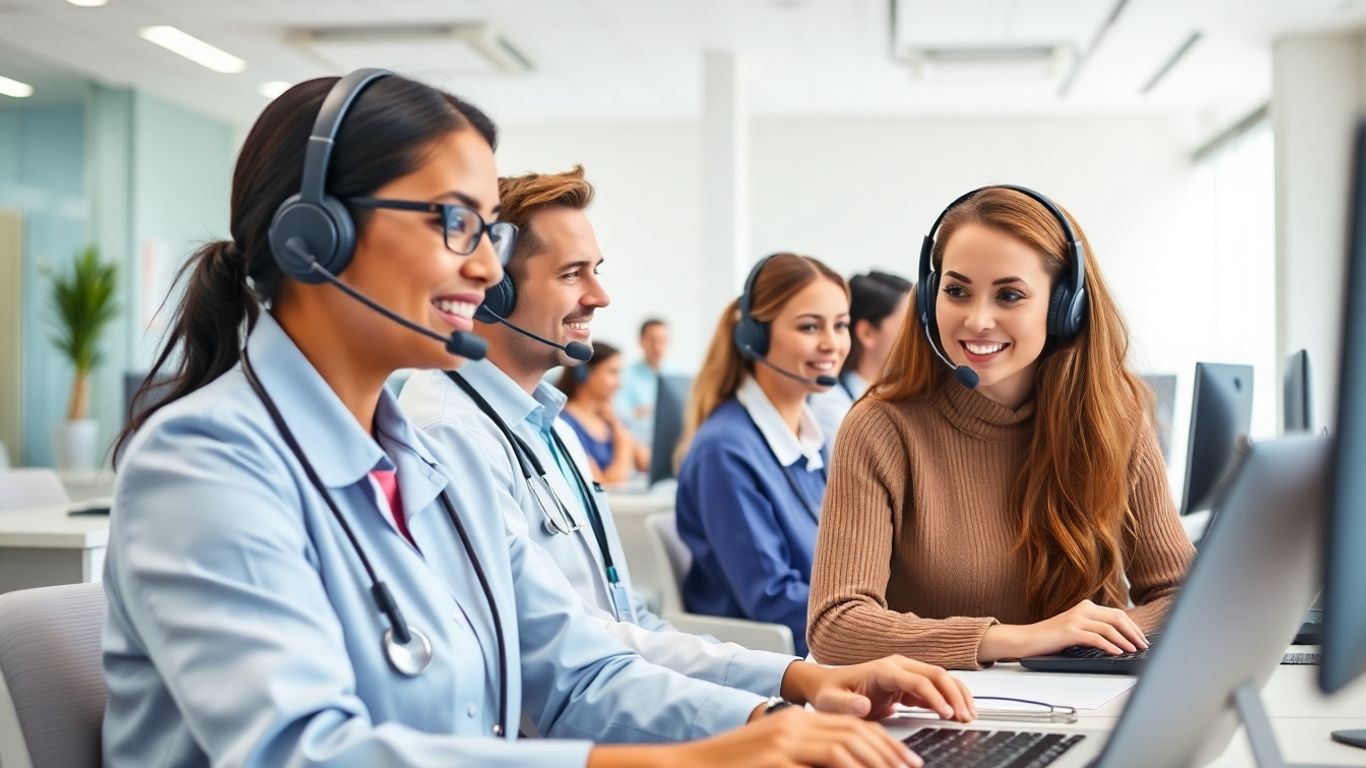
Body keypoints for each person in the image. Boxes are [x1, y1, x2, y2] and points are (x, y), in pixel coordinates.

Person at [102, 71, 956, 768]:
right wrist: (686, 760)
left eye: (491, 237)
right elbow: (304, 753)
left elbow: (578, 673)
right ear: (314, 237)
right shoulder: (202, 464)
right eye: (455, 223)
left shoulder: (439, 461)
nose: (483, 268)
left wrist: (787, 714)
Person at [399, 167, 975, 748]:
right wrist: (771, 719)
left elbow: (631, 630)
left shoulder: (552, 431)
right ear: (489, 288)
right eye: (573, 274)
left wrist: (802, 682)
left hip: (624, 720)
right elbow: (566, 679)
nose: (601, 296)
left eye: (596, 272)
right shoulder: (452, 437)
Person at [806, 185, 1196, 670]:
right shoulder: (882, 427)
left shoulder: (1114, 416)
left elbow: (1183, 592)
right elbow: (837, 625)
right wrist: (1019, 640)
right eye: (957, 291)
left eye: (1009, 294)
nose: (977, 319)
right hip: (937, 714)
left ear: (1063, 307)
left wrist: (1092, 636)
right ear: (929, 299)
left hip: (1080, 703)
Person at [675, 252, 850, 657]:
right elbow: (771, 598)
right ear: (753, 336)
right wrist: (882, 627)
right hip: (774, 665)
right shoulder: (726, 451)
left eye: (840, 325)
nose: (832, 343)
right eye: (810, 326)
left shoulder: (811, 440)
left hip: (822, 646)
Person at [809, 271, 913, 443]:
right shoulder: (832, 408)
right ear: (867, 333)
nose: (917, 336)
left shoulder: (893, 398)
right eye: (907, 325)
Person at [555, 341, 649, 484]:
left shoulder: (609, 419)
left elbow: (646, 464)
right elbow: (602, 485)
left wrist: (617, 425)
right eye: (612, 372)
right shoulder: (565, 423)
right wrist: (623, 442)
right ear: (584, 373)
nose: (619, 383)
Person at [615, 318, 670, 443]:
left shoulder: (678, 375)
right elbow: (620, 416)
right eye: (652, 340)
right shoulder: (624, 375)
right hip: (637, 444)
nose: (657, 347)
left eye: (662, 341)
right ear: (641, 341)